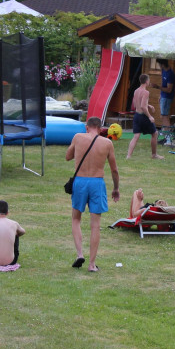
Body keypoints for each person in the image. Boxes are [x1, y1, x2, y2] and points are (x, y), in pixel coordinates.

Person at [66, 116, 120, 272]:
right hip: (97, 183)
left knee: (76, 219)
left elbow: (68, 156)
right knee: (95, 225)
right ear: (101, 128)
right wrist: (116, 189)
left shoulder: (78, 137)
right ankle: (91, 264)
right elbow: (114, 170)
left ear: (87, 127)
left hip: (80, 182)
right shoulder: (107, 143)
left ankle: (79, 254)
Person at [126, 74, 163, 160]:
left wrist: (148, 105)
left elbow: (136, 104)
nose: (149, 82)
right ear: (146, 81)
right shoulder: (146, 92)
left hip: (137, 116)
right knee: (155, 133)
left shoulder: (136, 91)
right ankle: (154, 155)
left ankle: (128, 156)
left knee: (136, 136)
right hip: (143, 116)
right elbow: (143, 106)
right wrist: (150, 116)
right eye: (149, 80)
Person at [155, 59, 175, 132]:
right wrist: (160, 95)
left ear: (162, 64)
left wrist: (157, 87)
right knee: (163, 115)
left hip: (167, 97)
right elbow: (163, 83)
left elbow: (169, 89)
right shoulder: (163, 71)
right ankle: (165, 132)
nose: (159, 66)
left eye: (159, 65)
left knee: (165, 116)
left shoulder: (170, 74)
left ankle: (167, 135)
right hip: (163, 96)